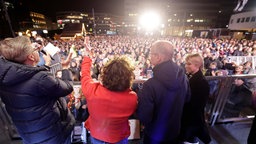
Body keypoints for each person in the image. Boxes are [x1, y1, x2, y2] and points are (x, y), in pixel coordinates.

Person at [0, 36, 75, 144]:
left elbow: (28, 75)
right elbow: (67, 87)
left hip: (29, 134)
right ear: (31, 57)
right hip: (52, 135)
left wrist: (46, 66)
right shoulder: (41, 79)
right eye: (35, 50)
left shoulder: (5, 76)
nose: (38, 51)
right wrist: (66, 68)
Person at [136, 40, 190, 144]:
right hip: (175, 130)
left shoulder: (150, 85)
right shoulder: (183, 77)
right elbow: (187, 98)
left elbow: (145, 116)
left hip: (154, 134)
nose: (149, 57)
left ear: (158, 57)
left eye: (151, 54)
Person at [80, 51, 138, 143]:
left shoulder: (92, 90)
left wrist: (87, 58)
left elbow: (85, 75)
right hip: (120, 137)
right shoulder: (132, 97)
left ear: (105, 75)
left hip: (97, 136)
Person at [180, 53, 211, 144]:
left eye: (189, 64)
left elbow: (196, 106)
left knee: (189, 140)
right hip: (189, 119)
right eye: (186, 63)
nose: (186, 66)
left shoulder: (201, 82)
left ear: (197, 65)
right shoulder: (192, 77)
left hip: (190, 120)